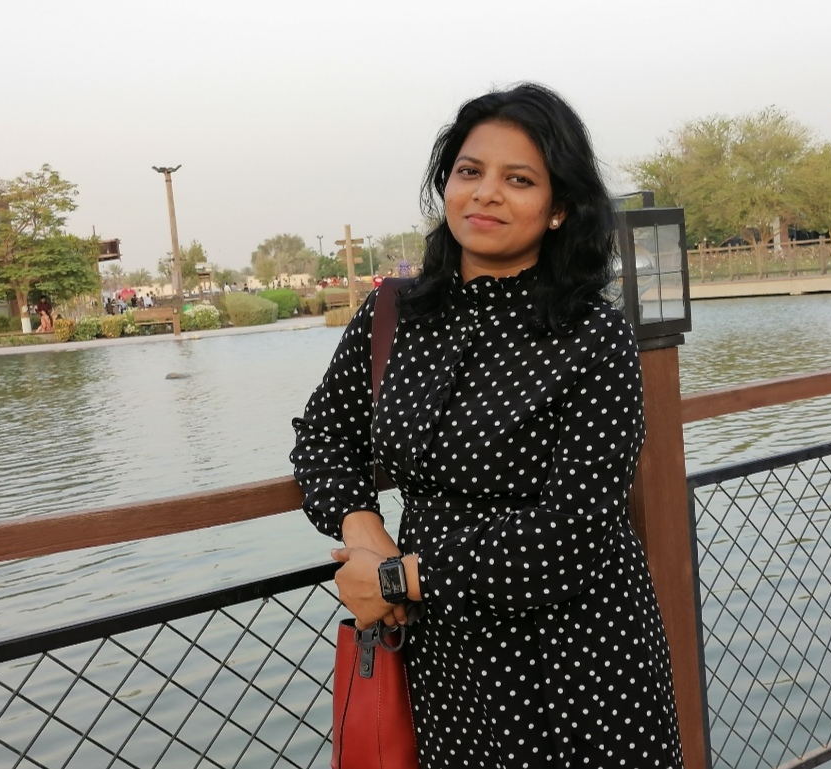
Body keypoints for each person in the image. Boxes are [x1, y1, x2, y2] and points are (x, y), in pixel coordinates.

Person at [290, 83, 683, 768]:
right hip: (445, 657)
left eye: (519, 179)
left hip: (574, 655)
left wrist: (396, 580)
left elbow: (572, 531)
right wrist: (362, 526)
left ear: (559, 208)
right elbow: (323, 436)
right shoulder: (394, 316)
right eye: (470, 171)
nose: (487, 193)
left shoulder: (593, 336)